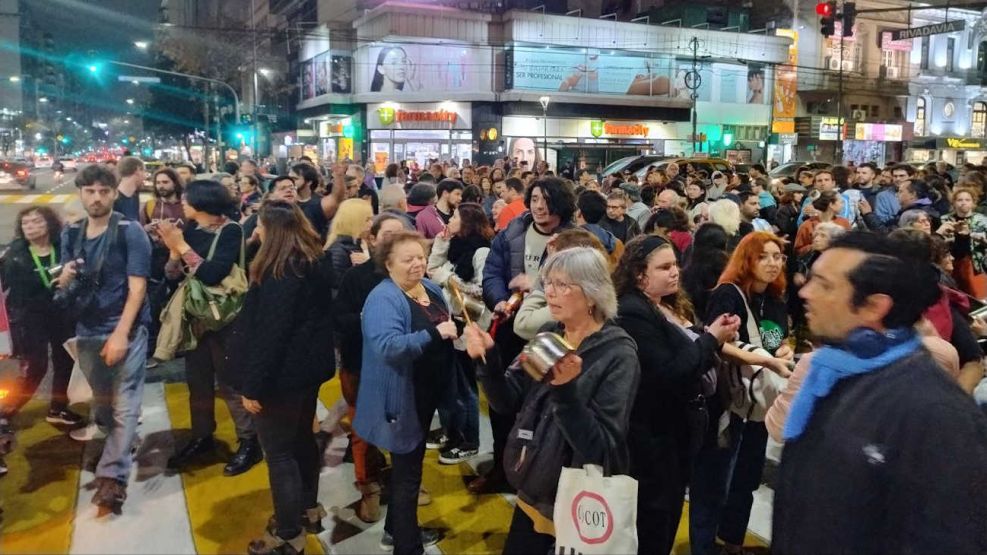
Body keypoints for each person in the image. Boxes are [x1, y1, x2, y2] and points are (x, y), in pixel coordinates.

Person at [772, 231, 987, 554]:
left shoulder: (935, 412)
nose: (805, 292)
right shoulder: (832, 373)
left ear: (874, 306)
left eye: (825, 284)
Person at [464, 247, 640, 555]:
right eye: (549, 283)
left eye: (563, 285)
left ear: (591, 294)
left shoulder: (618, 354)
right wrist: (488, 358)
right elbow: (507, 400)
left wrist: (565, 392)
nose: (550, 293)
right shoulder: (550, 333)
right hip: (535, 488)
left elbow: (601, 446)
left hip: (577, 499)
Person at [614, 236, 740, 555]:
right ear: (639, 274)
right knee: (654, 524)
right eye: (664, 267)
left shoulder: (664, 304)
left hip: (677, 437)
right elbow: (669, 373)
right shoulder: (633, 311)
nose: (675, 273)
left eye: (675, 265)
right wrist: (711, 338)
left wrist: (766, 351)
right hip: (654, 442)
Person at [235, 200, 336, 555]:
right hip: (309, 373)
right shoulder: (314, 260)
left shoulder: (280, 271)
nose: (256, 232)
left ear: (273, 231)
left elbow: (270, 334)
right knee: (301, 441)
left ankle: (289, 533)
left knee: (278, 454)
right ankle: (308, 508)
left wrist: (252, 386)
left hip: (281, 377)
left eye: (260, 226)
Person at [690, 232, 794, 555]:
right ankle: (704, 547)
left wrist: (784, 352)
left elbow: (781, 341)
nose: (772, 263)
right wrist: (765, 359)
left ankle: (732, 543)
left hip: (759, 404)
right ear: (747, 259)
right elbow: (717, 342)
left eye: (778, 256)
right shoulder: (728, 294)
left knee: (746, 480)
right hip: (727, 402)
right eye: (764, 256)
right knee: (715, 483)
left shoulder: (776, 299)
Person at [56, 164, 152, 514]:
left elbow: (137, 287)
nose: (96, 198)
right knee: (103, 402)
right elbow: (68, 283)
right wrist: (64, 278)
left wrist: (122, 334)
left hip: (124, 327)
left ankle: (112, 478)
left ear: (114, 193)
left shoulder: (131, 232)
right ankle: (123, 445)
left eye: (103, 191)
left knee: (125, 403)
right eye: (90, 191)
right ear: (80, 193)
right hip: (87, 329)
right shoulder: (72, 233)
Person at [354, 230, 457, 553]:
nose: (417, 264)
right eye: (407, 259)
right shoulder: (384, 298)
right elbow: (387, 346)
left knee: (408, 468)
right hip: (402, 398)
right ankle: (406, 546)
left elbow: (448, 324)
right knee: (407, 475)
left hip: (425, 394)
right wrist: (433, 334)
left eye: (421, 257)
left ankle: (395, 531)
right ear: (388, 264)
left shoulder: (428, 287)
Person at [479, 176, 576, 493]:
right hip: (510, 330)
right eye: (534, 199)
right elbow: (492, 272)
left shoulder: (575, 240)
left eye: (546, 200)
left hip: (552, 335)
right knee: (501, 404)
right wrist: (499, 300)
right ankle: (502, 469)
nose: (538, 206)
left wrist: (534, 287)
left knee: (544, 406)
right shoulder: (512, 233)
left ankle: (539, 473)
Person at [160, 180, 261, 477]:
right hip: (197, 318)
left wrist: (179, 245)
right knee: (198, 382)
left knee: (231, 383)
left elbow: (213, 272)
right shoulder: (191, 230)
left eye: (187, 199)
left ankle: (249, 442)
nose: (183, 203)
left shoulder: (230, 231)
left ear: (202, 202)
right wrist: (172, 251)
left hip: (226, 320)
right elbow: (171, 275)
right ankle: (202, 436)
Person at [333, 213, 410, 523]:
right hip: (361, 365)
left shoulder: (411, 273)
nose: (393, 240)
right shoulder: (357, 277)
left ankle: (403, 482)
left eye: (400, 235)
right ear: (372, 238)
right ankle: (369, 488)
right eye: (387, 234)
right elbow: (341, 320)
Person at [0, 207, 81, 426]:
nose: (30, 227)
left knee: (65, 361)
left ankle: (58, 408)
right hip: (28, 317)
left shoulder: (62, 247)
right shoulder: (14, 253)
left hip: (60, 312)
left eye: (36, 222)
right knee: (36, 366)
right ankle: (7, 409)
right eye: (25, 223)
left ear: (49, 224)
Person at [426, 202, 493, 464]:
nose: (449, 219)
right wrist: (441, 244)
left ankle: (469, 440)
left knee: (466, 388)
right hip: (449, 322)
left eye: (454, 216)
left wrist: (449, 278)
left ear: (467, 221)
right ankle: (451, 431)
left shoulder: (481, 251)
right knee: (449, 384)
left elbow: (481, 289)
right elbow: (433, 269)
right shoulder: (455, 246)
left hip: (470, 327)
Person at [940, 185, 987, 299]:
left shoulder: (982, 219)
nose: (963, 203)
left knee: (978, 297)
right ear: (954, 202)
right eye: (959, 200)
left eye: (967, 200)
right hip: (952, 263)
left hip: (975, 264)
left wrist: (970, 234)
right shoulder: (945, 219)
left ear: (973, 202)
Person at [324, 198, 373, 292]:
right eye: (367, 219)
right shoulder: (338, 252)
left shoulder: (360, 244)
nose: (371, 223)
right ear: (354, 221)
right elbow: (338, 289)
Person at [289, 162, 347, 239]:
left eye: (295, 179)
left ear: (309, 182)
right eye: (289, 179)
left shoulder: (317, 204)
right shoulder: (285, 201)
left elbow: (337, 198)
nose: (290, 183)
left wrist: (339, 176)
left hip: (310, 247)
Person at [794, 191, 852, 256]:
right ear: (831, 205)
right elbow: (797, 251)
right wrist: (813, 247)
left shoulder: (844, 223)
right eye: (841, 202)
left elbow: (852, 246)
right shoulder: (807, 225)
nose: (843, 205)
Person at [113, 156, 146, 221]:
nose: (144, 177)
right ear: (138, 170)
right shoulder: (113, 199)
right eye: (144, 172)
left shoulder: (135, 196)